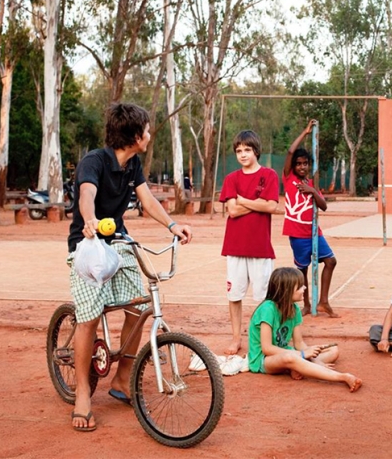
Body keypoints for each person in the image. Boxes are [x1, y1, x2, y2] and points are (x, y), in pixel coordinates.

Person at [66, 103, 193, 432]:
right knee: (89, 318)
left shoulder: (133, 164)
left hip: (118, 243)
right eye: (147, 130)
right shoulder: (94, 161)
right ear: (136, 136)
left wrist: (172, 225)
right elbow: (86, 194)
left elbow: (147, 199)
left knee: (139, 306)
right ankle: (82, 393)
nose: (149, 135)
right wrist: (90, 219)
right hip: (88, 246)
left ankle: (123, 380)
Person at [248, 267, 361, 391]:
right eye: (300, 286)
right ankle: (342, 377)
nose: (304, 288)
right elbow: (267, 349)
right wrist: (303, 355)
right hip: (264, 360)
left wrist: (310, 355)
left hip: (288, 353)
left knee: (333, 350)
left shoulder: (294, 309)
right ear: (287, 291)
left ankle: (297, 366)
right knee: (289, 358)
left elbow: (299, 343)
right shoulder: (267, 309)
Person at [219, 129, 279, 355]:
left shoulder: (269, 175)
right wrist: (256, 202)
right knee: (234, 295)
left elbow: (272, 206)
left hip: (261, 248)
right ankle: (236, 338)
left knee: (265, 297)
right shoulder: (231, 179)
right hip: (235, 247)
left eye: (247, 150)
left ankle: (265, 340)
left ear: (256, 151)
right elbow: (232, 211)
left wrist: (244, 200)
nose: (243, 154)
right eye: (238, 151)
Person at [282, 119, 339, 317]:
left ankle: (323, 301)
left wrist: (312, 190)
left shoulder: (311, 183)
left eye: (305, 164)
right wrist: (305, 133)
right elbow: (290, 152)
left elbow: (323, 206)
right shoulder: (289, 179)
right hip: (298, 234)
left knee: (330, 261)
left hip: (314, 231)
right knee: (302, 270)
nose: (302, 167)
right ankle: (306, 304)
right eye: (298, 164)